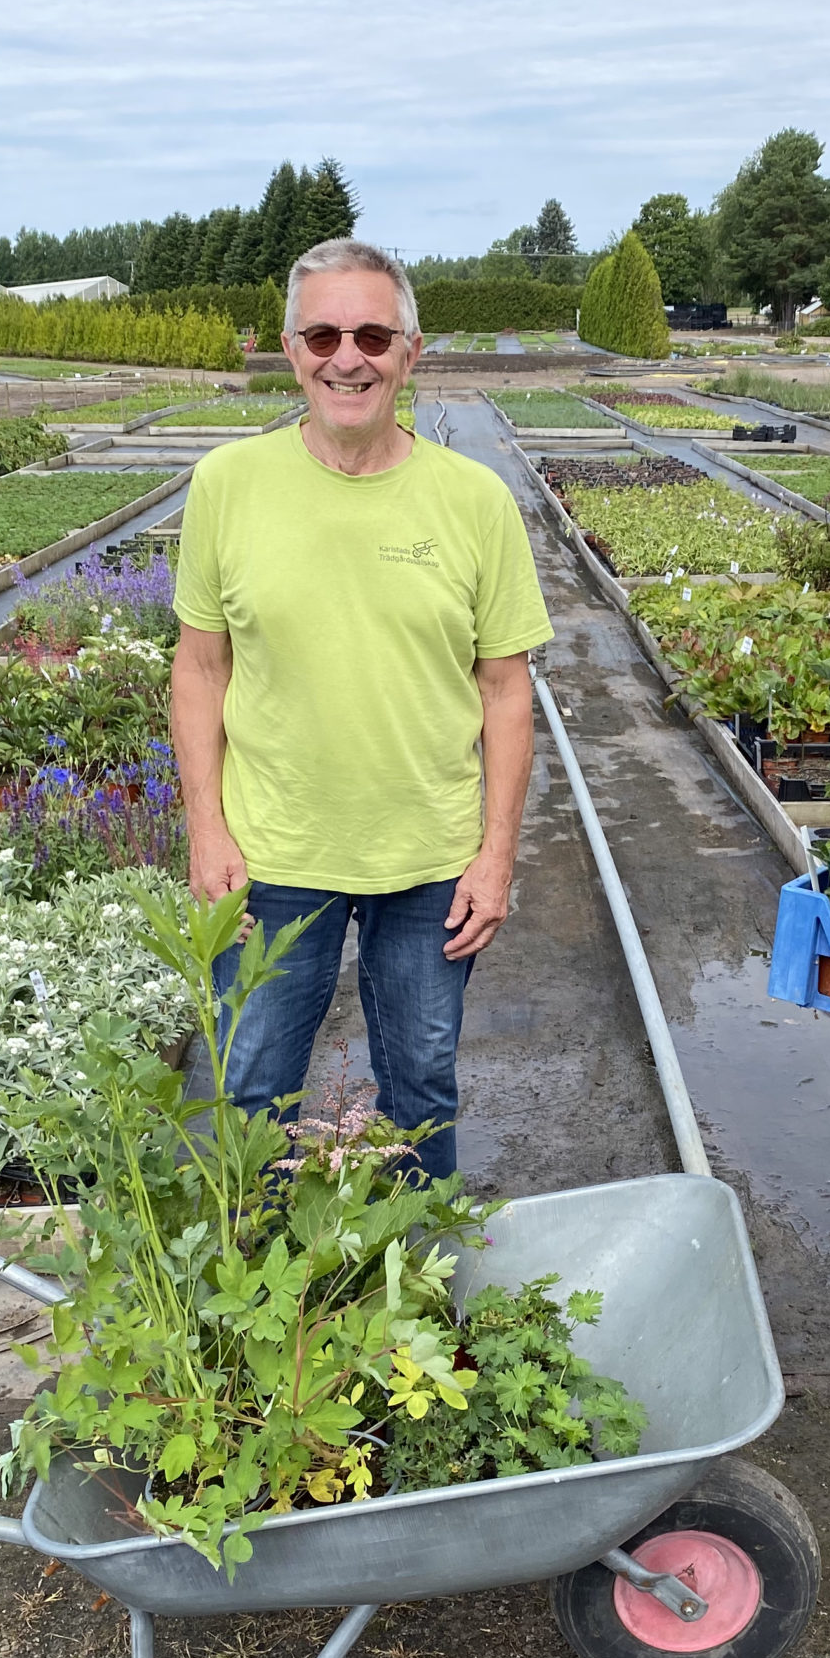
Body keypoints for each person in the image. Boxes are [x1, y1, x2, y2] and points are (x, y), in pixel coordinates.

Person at [172, 237, 551, 1184]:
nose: (350, 357)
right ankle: (256, 1309)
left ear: (411, 352)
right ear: (292, 350)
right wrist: (205, 829)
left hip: (427, 862)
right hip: (271, 857)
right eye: (325, 334)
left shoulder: (474, 501)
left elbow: (507, 692)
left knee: (420, 1091)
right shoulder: (229, 484)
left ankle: (415, 1302)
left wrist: (496, 854)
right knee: (251, 1094)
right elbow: (200, 669)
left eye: (374, 334)